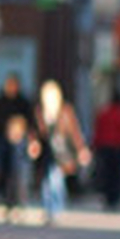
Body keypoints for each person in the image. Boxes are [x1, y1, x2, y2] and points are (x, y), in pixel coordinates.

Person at [0, 72, 36, 220]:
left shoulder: (23, 102)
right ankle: (5, 200)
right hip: (1, 141)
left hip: (19, 144)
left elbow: (31, 123)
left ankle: (19, 202)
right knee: (1, 171)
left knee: (19, 173)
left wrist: (29, 138)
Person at [35, 79, 85, 225]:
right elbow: (37, 131)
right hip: (46, 151)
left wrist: (81, 149)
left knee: (56, 180)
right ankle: (47, 209)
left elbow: (74, 131)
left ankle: (56, 209)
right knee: (46, 181)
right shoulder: (40, 111)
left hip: (61, 152)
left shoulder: (65, 110)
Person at [90, 87, 120, 211]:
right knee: (117, 174)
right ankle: (115, 198)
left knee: (107, 173)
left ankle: (108, 196)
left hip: (105, 147)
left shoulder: (104, 112)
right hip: (118, 148)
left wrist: (95, 146)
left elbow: (98, 130)